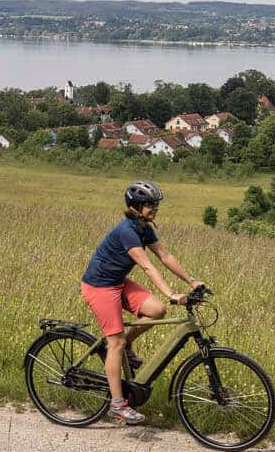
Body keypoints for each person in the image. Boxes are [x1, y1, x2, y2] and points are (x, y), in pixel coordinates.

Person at [80, 179, 203, 426]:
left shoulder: (144, 227)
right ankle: (117, 405)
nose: (155, 208)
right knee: (113, 343)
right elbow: (147, 266)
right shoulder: (127, 231)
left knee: (157, 310)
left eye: (156, 203)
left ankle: (126, 345)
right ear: (135, 206)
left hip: (118, 282)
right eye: (150, 204)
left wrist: (191, 282)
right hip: (100, 286)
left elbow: (164, 256)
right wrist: (170, 292)